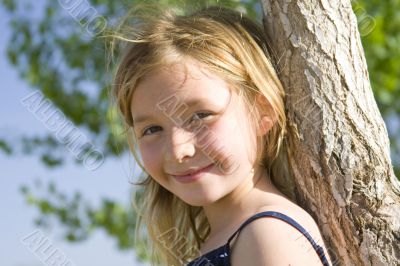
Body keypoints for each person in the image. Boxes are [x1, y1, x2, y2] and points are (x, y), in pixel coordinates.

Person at [110, 4, 332, 266]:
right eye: (152, 129)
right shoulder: (237, 237)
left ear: (263, 111)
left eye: (201, 116)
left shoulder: (269, 237)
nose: (178, 150)